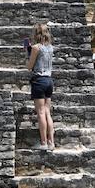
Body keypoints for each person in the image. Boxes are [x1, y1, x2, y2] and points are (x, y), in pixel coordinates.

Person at [26, 22, 55, 150]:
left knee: (41, 113)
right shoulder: (50, 47)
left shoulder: (36, 47)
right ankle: (51, 142)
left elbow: (29, 67)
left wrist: (28, 52)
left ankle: (43, 143)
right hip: (49, 81)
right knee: (48, 112)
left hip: (39, 81)